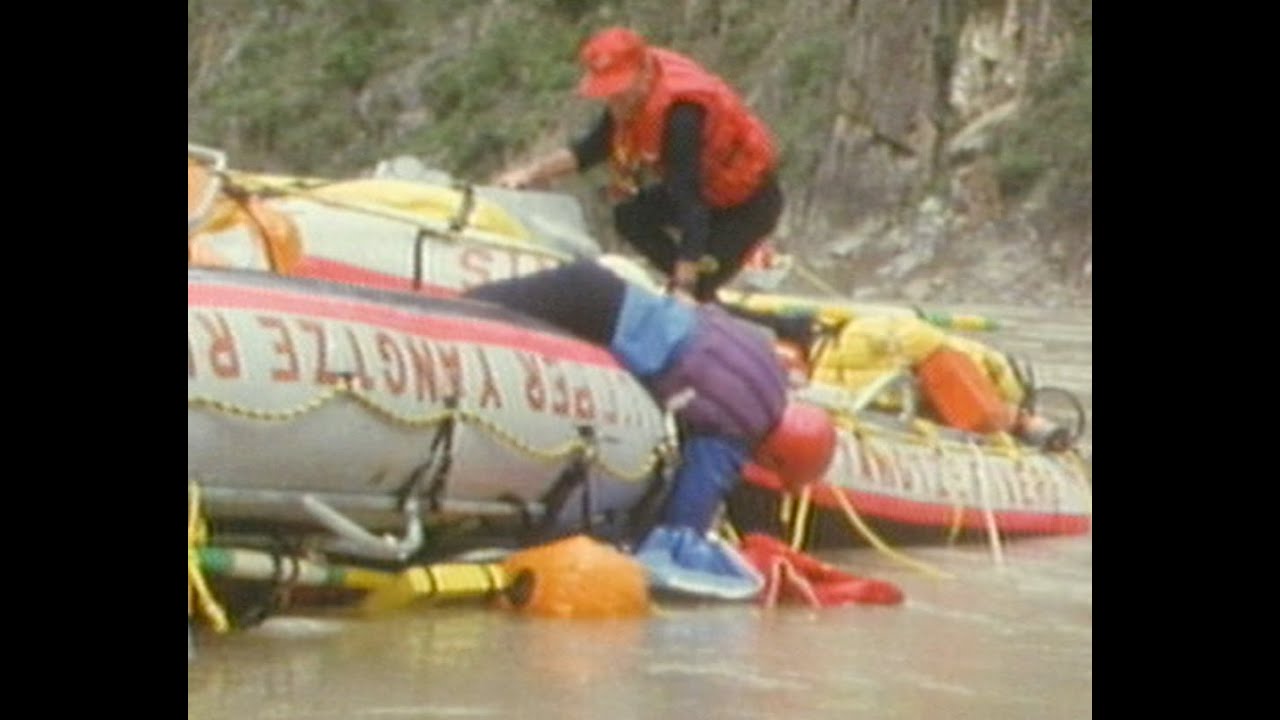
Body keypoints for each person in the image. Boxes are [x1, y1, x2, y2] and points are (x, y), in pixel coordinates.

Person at [463, 259, 836, 599]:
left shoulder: (765, 365)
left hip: (598, 288)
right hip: (594, 314)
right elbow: (682, 524)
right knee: (467, 322)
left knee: (467, 307)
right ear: (777, 457)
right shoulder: (734, 432)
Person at [492, 27, 783, 303]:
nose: (614, 101)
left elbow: (690, 203)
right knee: (630, 217)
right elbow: (592, 148)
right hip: (704, 193)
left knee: (698, 284)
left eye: (619, 91)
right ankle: (695, 296)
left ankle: (759, 321)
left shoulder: (682, 114)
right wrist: (529, 174)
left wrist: (684, 285)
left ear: (644, 74)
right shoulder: (630, 101)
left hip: (745, 206)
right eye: (608, 93)